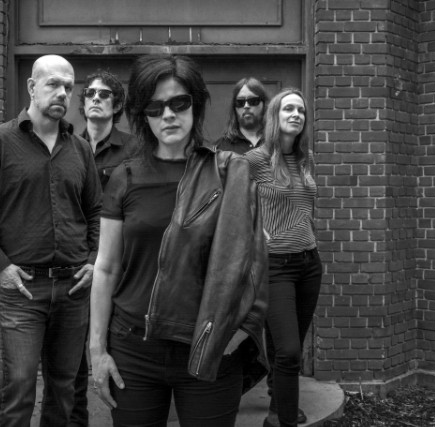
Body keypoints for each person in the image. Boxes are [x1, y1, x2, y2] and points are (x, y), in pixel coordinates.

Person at [89, 54, 269, 427]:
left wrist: (235, 336)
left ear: (196, 104)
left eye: (179, 103)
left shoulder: (229, 172)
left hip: (209, 343)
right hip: (133, 348)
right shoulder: (124, 177)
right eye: (155, 108)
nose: (168, 115)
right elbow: (105, 268)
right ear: (142, 115)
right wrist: (97, 350)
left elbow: (253, 266)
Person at [0, 55, 102, 427]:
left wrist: (93, 259)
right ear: (31, 87)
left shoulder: (80, 149)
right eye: (53, 83)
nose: (62, 93)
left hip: (73, 288)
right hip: (23, 288)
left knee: (65, 388)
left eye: (68, 86)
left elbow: (95, 210)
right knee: (20, 386)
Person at [244, 88, 322, 427]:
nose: (296, 115)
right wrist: (252, 230)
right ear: (275, 116)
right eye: (288, 108)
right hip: (275, 266)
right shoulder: (255, 160)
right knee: (289, 351)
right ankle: (286, 420)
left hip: (309, 264)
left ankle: (278, 410)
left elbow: (303, 205)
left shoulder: (306, 158)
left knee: (287, 347)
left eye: (301, 110)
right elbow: (227, 203)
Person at [70, 70, 137, 427]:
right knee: (71, 362)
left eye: (105, 94)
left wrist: (98, 260)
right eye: (90, 93)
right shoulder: (68, 147)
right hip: (73, 267)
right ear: (82, 103)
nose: (96, 98)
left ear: (117, 104)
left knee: (115, 351)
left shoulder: (133, 149)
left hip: (116, 267)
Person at [214, 77, 268, 154]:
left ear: (264, 104)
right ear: (234, 107)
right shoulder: (220, 148)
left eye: (253, 101)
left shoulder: (277, 141)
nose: (246, 106)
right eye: (240, 102)